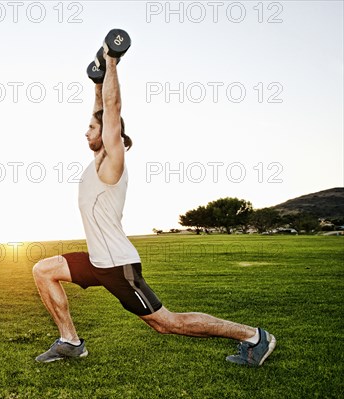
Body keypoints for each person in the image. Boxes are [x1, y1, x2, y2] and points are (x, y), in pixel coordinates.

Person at [32, 48, 276, 366]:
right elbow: (101, 110)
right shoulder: (97, 162)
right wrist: (96, 82)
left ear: (110, 135)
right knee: (43, 270)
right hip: (97, 260)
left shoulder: (112, 163)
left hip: (118, 266)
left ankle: (254, 337)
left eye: (93, 129)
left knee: (166, 323)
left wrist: (112, 63)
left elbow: (111, 109)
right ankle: (70, 342)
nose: (86, 131)